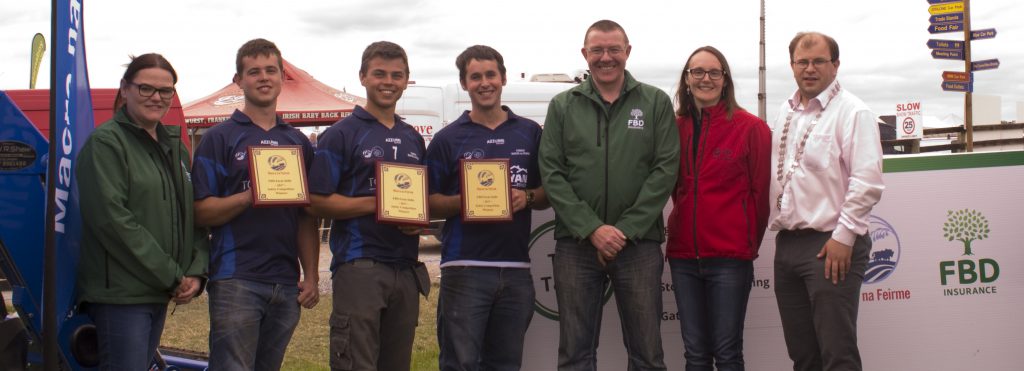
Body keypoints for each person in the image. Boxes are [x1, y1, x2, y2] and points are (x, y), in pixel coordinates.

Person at [538, 19, 679, 371]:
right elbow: (552, 172)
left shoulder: (655, 102)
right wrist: (592, 228)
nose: (606, 57)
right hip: (576, 244)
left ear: (627, 52)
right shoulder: (562, 105)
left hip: (639, 244)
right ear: (585, 55)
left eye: (614, 49)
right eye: (597, 50)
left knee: (647, 354)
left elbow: (664, 170)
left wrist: (625, 230)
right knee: (575, 354)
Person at [191, 38, 319, 370]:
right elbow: (200, 212)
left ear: (281, 78)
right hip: (236, 278)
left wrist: (313, 276)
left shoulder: (298, 142)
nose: (263, 77)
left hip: (286, 281)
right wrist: (252, 194)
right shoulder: (218, 138)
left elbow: (307, 217)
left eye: (270, 70)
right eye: (253, 71)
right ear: (238, 81)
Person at [76, 53, 208, 370]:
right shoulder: (105, 143)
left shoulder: (173, 146)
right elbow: (112, 222)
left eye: (166, 90)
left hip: (158, 290)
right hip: (121, 296)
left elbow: (190, 215)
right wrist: (172, 274)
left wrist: (196, 270)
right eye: (146, 88)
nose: (156, 97)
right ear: (125, 89)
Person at [426, 45, 550, 371]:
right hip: (464, 268)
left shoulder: (530, 133)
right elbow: (429, 202)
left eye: (490, 75)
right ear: (465, 83)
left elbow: (549, 192)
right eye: (475, 76)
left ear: (503, 78)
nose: (484, 83)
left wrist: (528, 197)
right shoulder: (447, 139)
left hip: (516, 271)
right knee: (460, 363)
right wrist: (469, 200)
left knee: (506, 364)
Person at [308, 41, 428, 371]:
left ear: (406, 80)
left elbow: (419, 200)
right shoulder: (341, 134)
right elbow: (315, 202)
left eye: (396, 75)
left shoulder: (412, 138)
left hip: (405, 268)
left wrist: (418, 220)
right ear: (362, 77)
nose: (388, 81)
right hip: (359, 266)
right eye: (379, 74)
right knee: (356, 364)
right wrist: (376, 204)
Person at [769, 32, 884, 371]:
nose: (809, 69)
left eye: (818, 61)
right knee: (803, 356)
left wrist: (843, 237)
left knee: (837, 355)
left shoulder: (853, 112)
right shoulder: (785, 111)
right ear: (791, 66)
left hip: (831, 245)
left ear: (835, 65)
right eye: (802, 62)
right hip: (788, 243)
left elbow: (867, 182)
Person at [664, 46, 771, 371]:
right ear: (686, 79)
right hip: (683, 258)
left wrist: (745, 244)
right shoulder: (673, 128)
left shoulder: (751, 128)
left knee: (727, 354)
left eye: (713, 72)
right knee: (694, 355)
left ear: (725, 80)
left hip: (729, 259)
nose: (705, 78)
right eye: (697, 71)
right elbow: (673, 187)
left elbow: (760, 195)